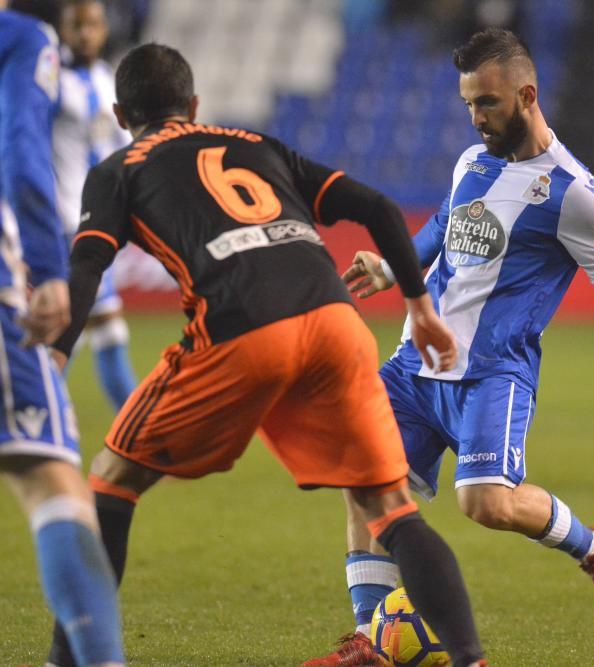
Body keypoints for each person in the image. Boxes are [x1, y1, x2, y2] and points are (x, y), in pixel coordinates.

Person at [44, 43, 487, 667]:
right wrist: (419, 305)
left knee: (112, 480)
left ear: (120, 115)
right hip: (337, 323)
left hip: (242, 329)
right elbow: (381, 209)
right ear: (194, 105)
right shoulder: (256, 145)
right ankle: (473, 660)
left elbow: (87, 265)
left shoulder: (120, 167)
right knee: (390, 508)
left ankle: (68, 660)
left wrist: (56, 359)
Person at [306, 27, 594, 667]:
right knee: (364, 476)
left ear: (527, 95)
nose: (477, 118)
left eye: (486, 103)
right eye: (468, 105)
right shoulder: (471, 162)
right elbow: (445, 227)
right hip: (416, 363)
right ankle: (374, 643)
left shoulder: (578, 194)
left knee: (486, 504)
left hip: (493, 374)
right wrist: (394, 269)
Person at [0, 3, 126, 667]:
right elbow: (22, 152)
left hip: (91, 221)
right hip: (54, 238)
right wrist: (48, 271)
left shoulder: (101, 77)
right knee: (50, 477)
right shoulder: (21, 39)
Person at [53, 0, 136, 410]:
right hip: (65, 222)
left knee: (94, 328)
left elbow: (126, 148)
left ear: (104, 30)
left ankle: (30, 417)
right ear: (63, 30)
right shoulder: (47, 81)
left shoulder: (107, 81)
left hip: (98, 223)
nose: (86, 33)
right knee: (86, 327)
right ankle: (144, 439)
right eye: (77, 26)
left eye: (93, 25)